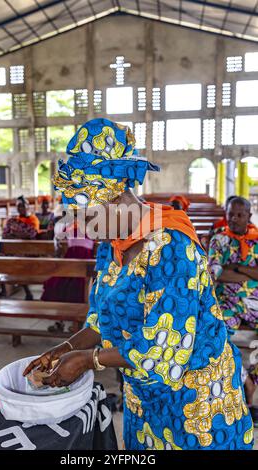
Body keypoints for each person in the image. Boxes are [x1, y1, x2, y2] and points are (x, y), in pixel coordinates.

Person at [23, 118, 253, 450]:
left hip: (197, 403)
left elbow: (166, 350)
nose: (83, 229)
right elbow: (101, 320)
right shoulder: (112, 247)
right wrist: (64, 349)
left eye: (85, 216)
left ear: (113, 199)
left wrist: (89, 360)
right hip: (145, 400)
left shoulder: (172, 248)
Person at [208, 196, 258, 417]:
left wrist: (235, 267)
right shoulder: (219, 240)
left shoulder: (256, 240)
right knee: (215, 334)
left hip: (254, 303)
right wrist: (248, 272)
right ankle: (243, 378)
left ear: (249, 216)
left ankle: (254, 379)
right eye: (231, 215)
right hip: (227, 302)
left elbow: (227, 271)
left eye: (240, 215)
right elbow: (216, 271)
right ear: (226, 215)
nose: (235, 219)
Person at [41, 213, 94, 334]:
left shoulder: (92, 225)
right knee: (59, 287)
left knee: (78, 290)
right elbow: (58, 239)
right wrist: (57, 244)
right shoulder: (69, 225)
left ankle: (77, 324)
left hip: (84, 263)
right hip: (70, 260)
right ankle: (60, 321)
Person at [1, 196, 40, 300]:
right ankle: (4, 290)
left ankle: (27, 292)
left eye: (22, 206)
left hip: (29, 249)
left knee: (18, 261)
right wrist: (19, 233)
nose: (20, 208)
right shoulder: (13, 220)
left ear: (28, 206)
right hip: (14, 248)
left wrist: (14, 233)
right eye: (18, 206)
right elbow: (5, 235)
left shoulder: (33, 219)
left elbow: (31, 234)